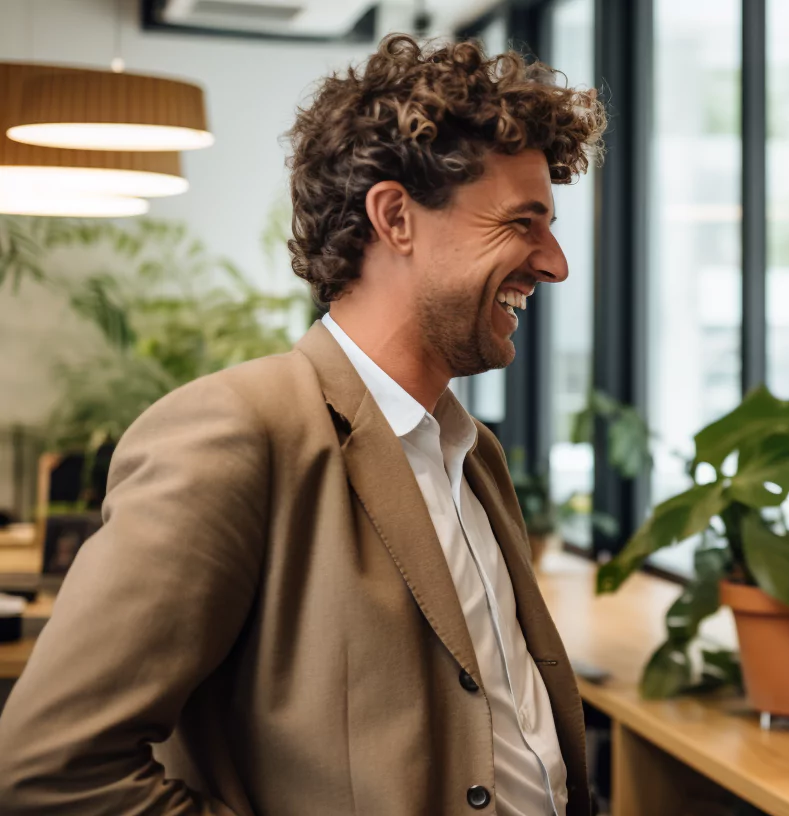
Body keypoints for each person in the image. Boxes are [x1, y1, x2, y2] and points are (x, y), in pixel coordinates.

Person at [0, 35, 605, 815]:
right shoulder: (235, 432)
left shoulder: (472, 451)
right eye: (524, 222)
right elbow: (50, 770)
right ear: (396, 217)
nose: (553, 262)